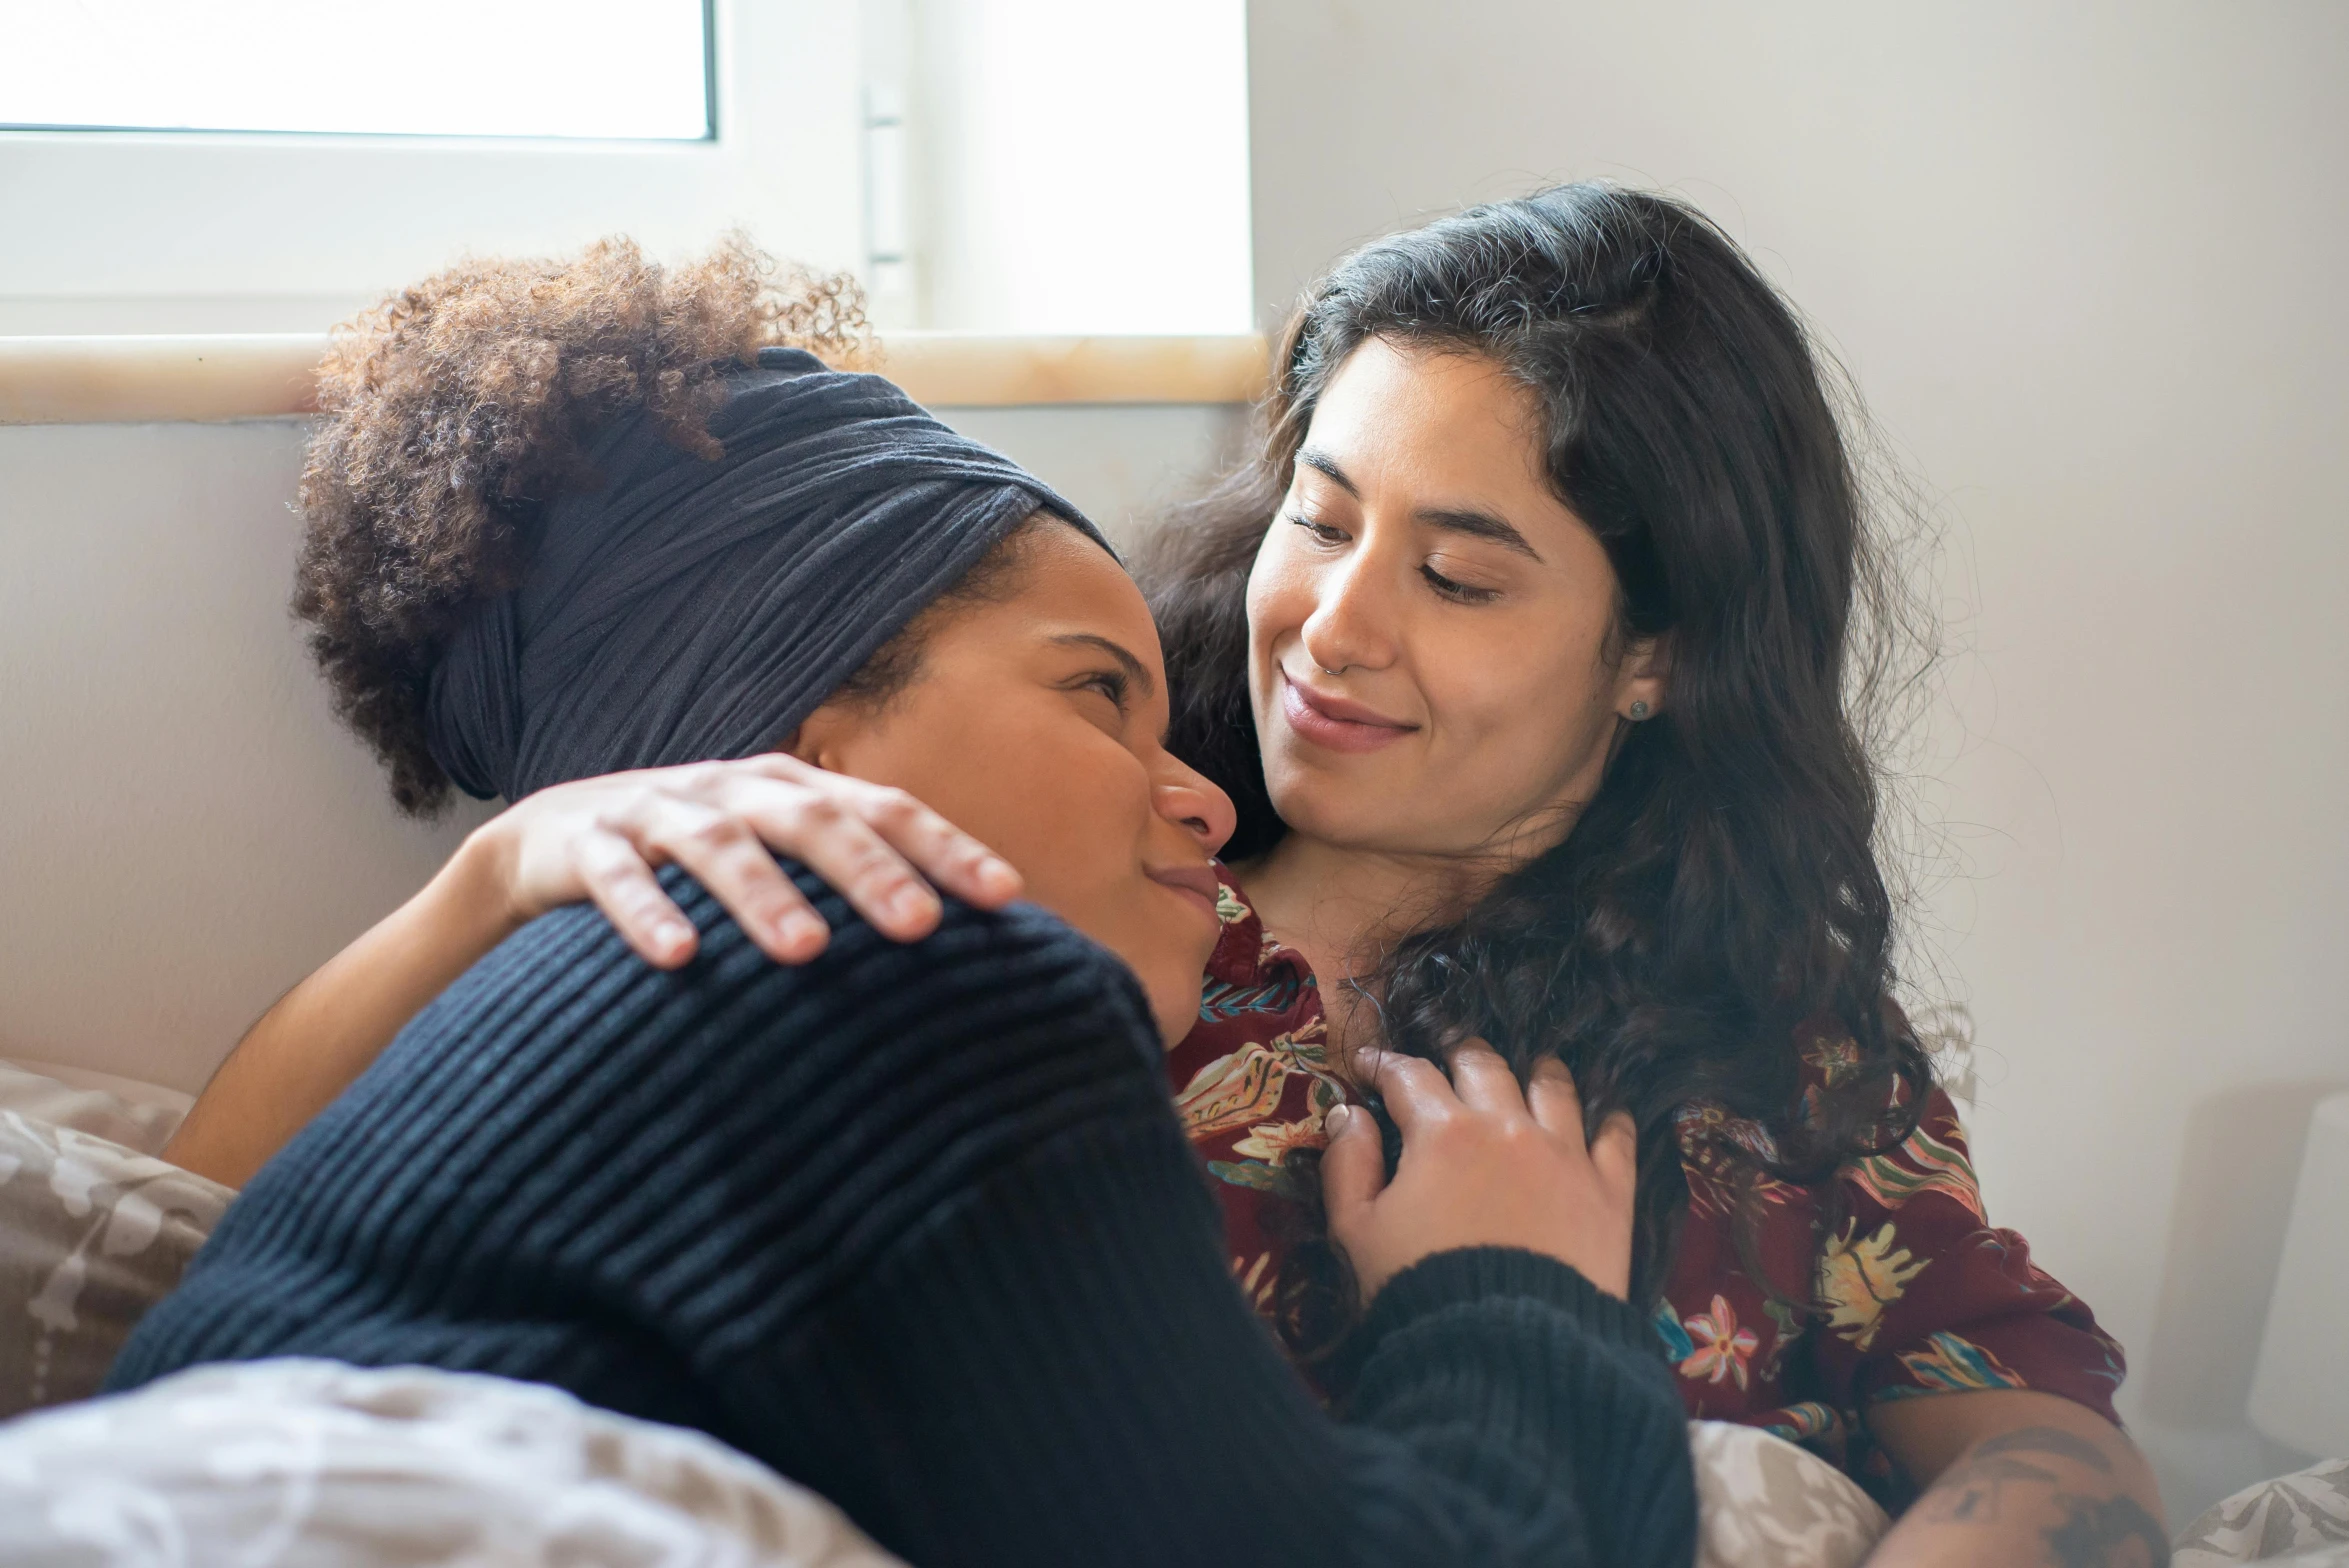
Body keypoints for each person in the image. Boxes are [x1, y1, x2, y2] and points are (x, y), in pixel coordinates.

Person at [171, 187, 2170, 1564]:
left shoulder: (1785, 1040)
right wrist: (513, 864)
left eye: (1460, 573)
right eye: (1318, 515)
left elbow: (2029, 1429)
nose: (1332, 629)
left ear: (1657, 652)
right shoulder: (1062, 894)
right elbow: (218, 1197)